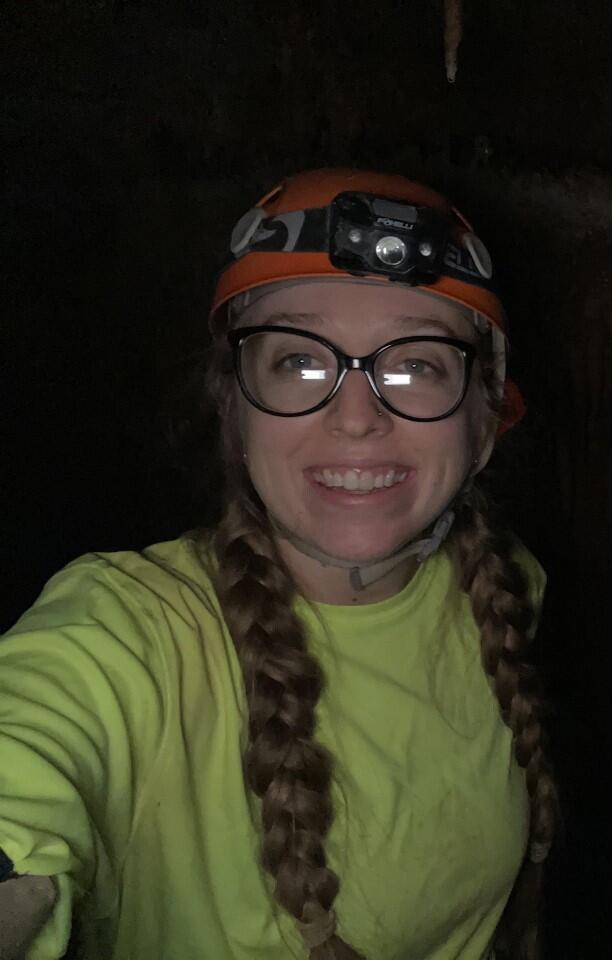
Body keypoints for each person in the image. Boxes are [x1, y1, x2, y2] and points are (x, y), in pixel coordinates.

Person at [0, 169, 558, 960]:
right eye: (298, 361)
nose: (358, 418)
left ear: (484, 421)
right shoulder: (130, 631)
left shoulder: (507, 588)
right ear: (235, 411)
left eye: (417, 364)